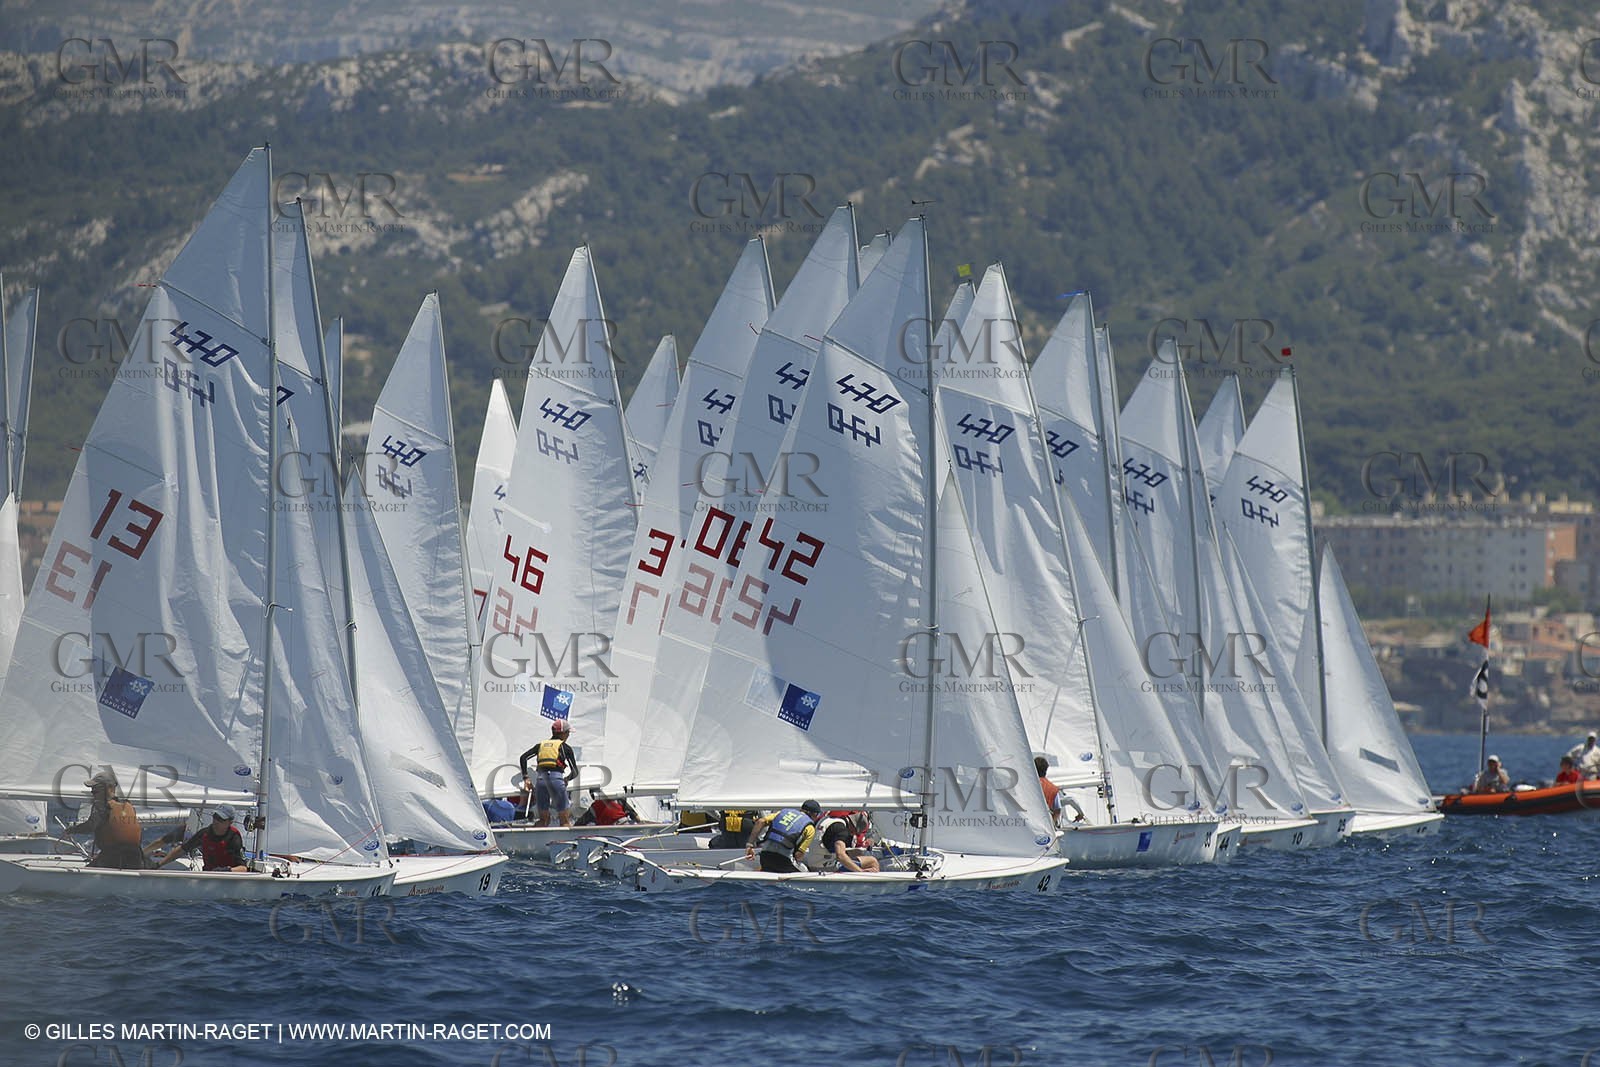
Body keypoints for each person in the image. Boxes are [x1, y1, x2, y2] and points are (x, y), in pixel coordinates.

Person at [63, 771, 145, 870]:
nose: (93, 793)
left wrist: (71, 830)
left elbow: (90, 826)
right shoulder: (128, 805)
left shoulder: (102, 806)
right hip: (136, 858)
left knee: (85, 872)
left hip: (113, 858)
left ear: (110, 788)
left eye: (96, 790)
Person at [518, 719, 579, 828]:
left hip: (541, 781)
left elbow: (523, 758)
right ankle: (564, 842)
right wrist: (566, 779)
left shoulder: (540, 745)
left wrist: (526, 778)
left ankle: (536, 841)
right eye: (568, 733)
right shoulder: (565, 748)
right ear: (563, 733)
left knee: (543, 820)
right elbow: (575, 771)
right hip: (556, 781)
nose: (569, 735)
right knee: (564, 821)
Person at [156, 805, 248, 872]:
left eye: (221, 819)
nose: (216, 821)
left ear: (230, 822)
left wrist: (227, 870)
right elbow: (182, 850)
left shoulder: (234, 838)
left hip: (228, 879)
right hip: (207, 877)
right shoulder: (205, 833)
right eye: (215, 817)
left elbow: (243, 868)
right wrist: (159, 865)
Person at [745, 800, 821, 873]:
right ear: (814, 814)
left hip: (765, 856)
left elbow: (760, 821)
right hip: (784, 862)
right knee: (806, 872)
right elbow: (798, 855)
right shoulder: (810, 828)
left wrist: (749, 845)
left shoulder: (783, 812)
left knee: (768, 868)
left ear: (801, 809)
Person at [811, 810, 880, 873]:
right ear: (854, 828)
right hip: (825, 867)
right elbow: (840, 856)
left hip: (812, 860)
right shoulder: (842, 831)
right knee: (872, 861)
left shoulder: (827, 820)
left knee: (858, 852)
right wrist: (860, 871)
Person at [1036, 756, 1063, 827]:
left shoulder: (1026, 784)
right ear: (1046, 769)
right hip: (1045, 825)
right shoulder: (1053, 788)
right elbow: (1057, 810)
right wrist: (1052, 826)